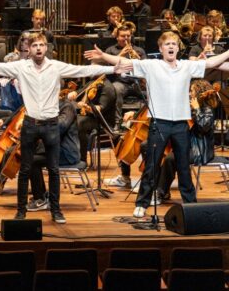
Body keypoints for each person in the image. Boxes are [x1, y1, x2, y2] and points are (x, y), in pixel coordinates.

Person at [0, 33, 119, 223]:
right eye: (35, 45)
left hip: (51, 125)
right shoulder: (22, 67)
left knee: (54, 171)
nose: (38, 48)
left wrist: (114, 68)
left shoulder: (56, 67)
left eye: (42, 45)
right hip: (30, 124)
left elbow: (82, 71)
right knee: (24, 169)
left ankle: (56, 210)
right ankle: (21, 211)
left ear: (46, 48)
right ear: (28, 49)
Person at [84, 31, 229, 218]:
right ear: (161, 49)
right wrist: (103, 56)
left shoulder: (187, 66)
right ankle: (142, 203)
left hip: (180, 125)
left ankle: (191, 205)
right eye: (167, 44)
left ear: (178, 48)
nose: (171, 47)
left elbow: (210, 63)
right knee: (151, 166)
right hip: (159, 123)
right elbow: (124, 63)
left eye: (174, 44)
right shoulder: (151, 65)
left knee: (184, 167)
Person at [104, 22, 146, 128]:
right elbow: (106, 69)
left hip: (137, 82)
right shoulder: (110, 50)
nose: (126, 38)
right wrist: (120, 55)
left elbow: (146, 69)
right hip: (120, 82)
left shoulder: (139, 50)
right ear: (117, 37)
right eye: (123, 36)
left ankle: (145, 120)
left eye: (128, 36)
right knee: (115, 90)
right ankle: (118, 122)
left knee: (153, 91)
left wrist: (139, 60)